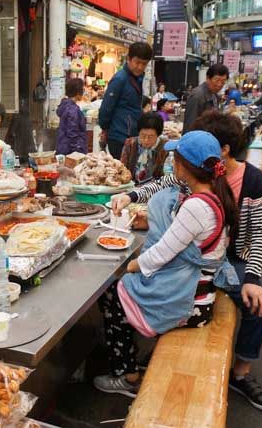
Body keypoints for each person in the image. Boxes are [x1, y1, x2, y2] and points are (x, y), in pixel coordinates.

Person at [110, 111, 262, 411]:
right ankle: (155, 335)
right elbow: (162, 184)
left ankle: (241, 373)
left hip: (233, 259)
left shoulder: (253, 183)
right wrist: (132, 196)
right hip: (200, 256)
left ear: (223, 150)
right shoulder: (204, 176)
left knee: (259, 307)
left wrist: (252, 279)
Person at [93, 131, 239, 399]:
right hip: (199, 291)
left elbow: (162, 253)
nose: (172, 163)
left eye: (175, 158)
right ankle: (129, 361)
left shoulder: (197, 206)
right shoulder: (211, 190)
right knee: (120, 292)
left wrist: (129, 267)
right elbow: (161, 185)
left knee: (113, 295)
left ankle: (127, 376)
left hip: (190, 303)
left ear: (186, 166)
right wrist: (131, 197)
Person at [98, 42, 154, 158]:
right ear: (128, 59)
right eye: (137, 62)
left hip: (130, 135)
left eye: (144, 64)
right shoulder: (120, 79)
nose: (140, 67)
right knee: (124, 172)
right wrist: (105, 129)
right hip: (119, 137)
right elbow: (106, 108)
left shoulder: (136, 78)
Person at [120, 113, 167, 185]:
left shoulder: (165, 148)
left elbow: (166, 177)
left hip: (155, 189)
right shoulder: (130, 144)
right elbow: (122, 169)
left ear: (158, 135)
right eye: (143, 135)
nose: (146, 140)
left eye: (150, 137)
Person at [184, 64, 230, 130]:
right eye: (217, 80)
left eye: (223, 81)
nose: (219, 84)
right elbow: (190, 125)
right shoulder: (197, 95)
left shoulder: (215, 95)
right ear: (208, 78)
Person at [56, 78, 87, 156]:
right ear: (77, 92)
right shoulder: (73, 110)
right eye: (82, 90)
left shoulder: (65, 106)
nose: (83, 92)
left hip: (63, 148)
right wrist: (77, 151)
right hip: (71, 151)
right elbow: (72, 133)